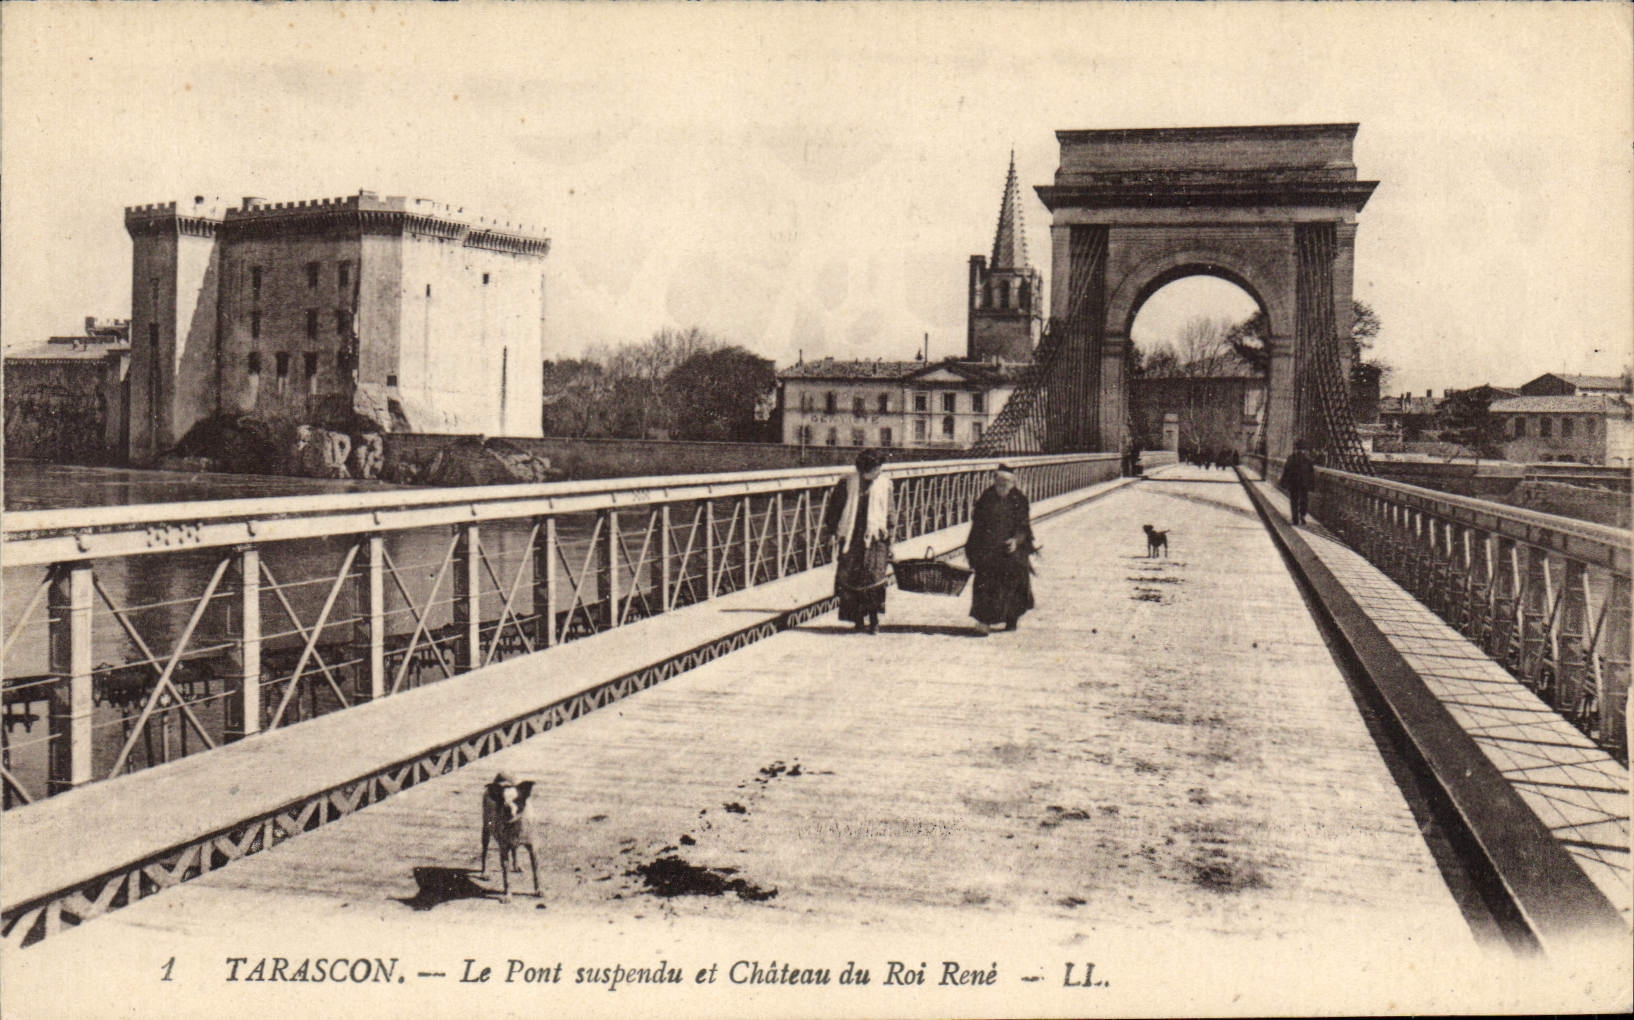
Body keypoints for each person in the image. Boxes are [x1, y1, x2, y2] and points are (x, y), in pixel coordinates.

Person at [823, 449, 893, 634]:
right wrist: (831, 532)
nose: (879, 472)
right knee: (851, 579)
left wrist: (891, 540)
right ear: (865, 469)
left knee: (874, 578)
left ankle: (874, 619)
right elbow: (834, 510)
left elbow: (890, 514)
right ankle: (858, 620)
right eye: (876, 468)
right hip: (852, 537)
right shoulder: (846, 483)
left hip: (876, 538)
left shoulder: (885, 484)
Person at [965, 464, 1036, 635]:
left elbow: (1024, 525)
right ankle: (984, 621)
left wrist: (1016, 540)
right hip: (989, 550)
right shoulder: (986, 498)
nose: (1002, 485)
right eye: (999, 481)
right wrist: (974, 550)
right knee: (986, 585)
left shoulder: (1019, 499)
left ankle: (1012, 618)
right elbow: (977, 524)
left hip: (1010, 550)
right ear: (994, 481)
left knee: (1013, 584)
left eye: (1006, 482)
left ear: (1013, 483)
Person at [1280, 439, 1318, 525]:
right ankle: (1302, 515)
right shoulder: (1308, 460)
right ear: (1304, 449)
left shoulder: (1291, 458)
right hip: (1304, 484)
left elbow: (1286, 471)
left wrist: (1284, 483)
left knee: (1294, 500)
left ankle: (1295, 518)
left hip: (1293, 483)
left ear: (1296, 448)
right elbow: (1311, 474)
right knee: (1304, 500)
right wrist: (1311, 485)